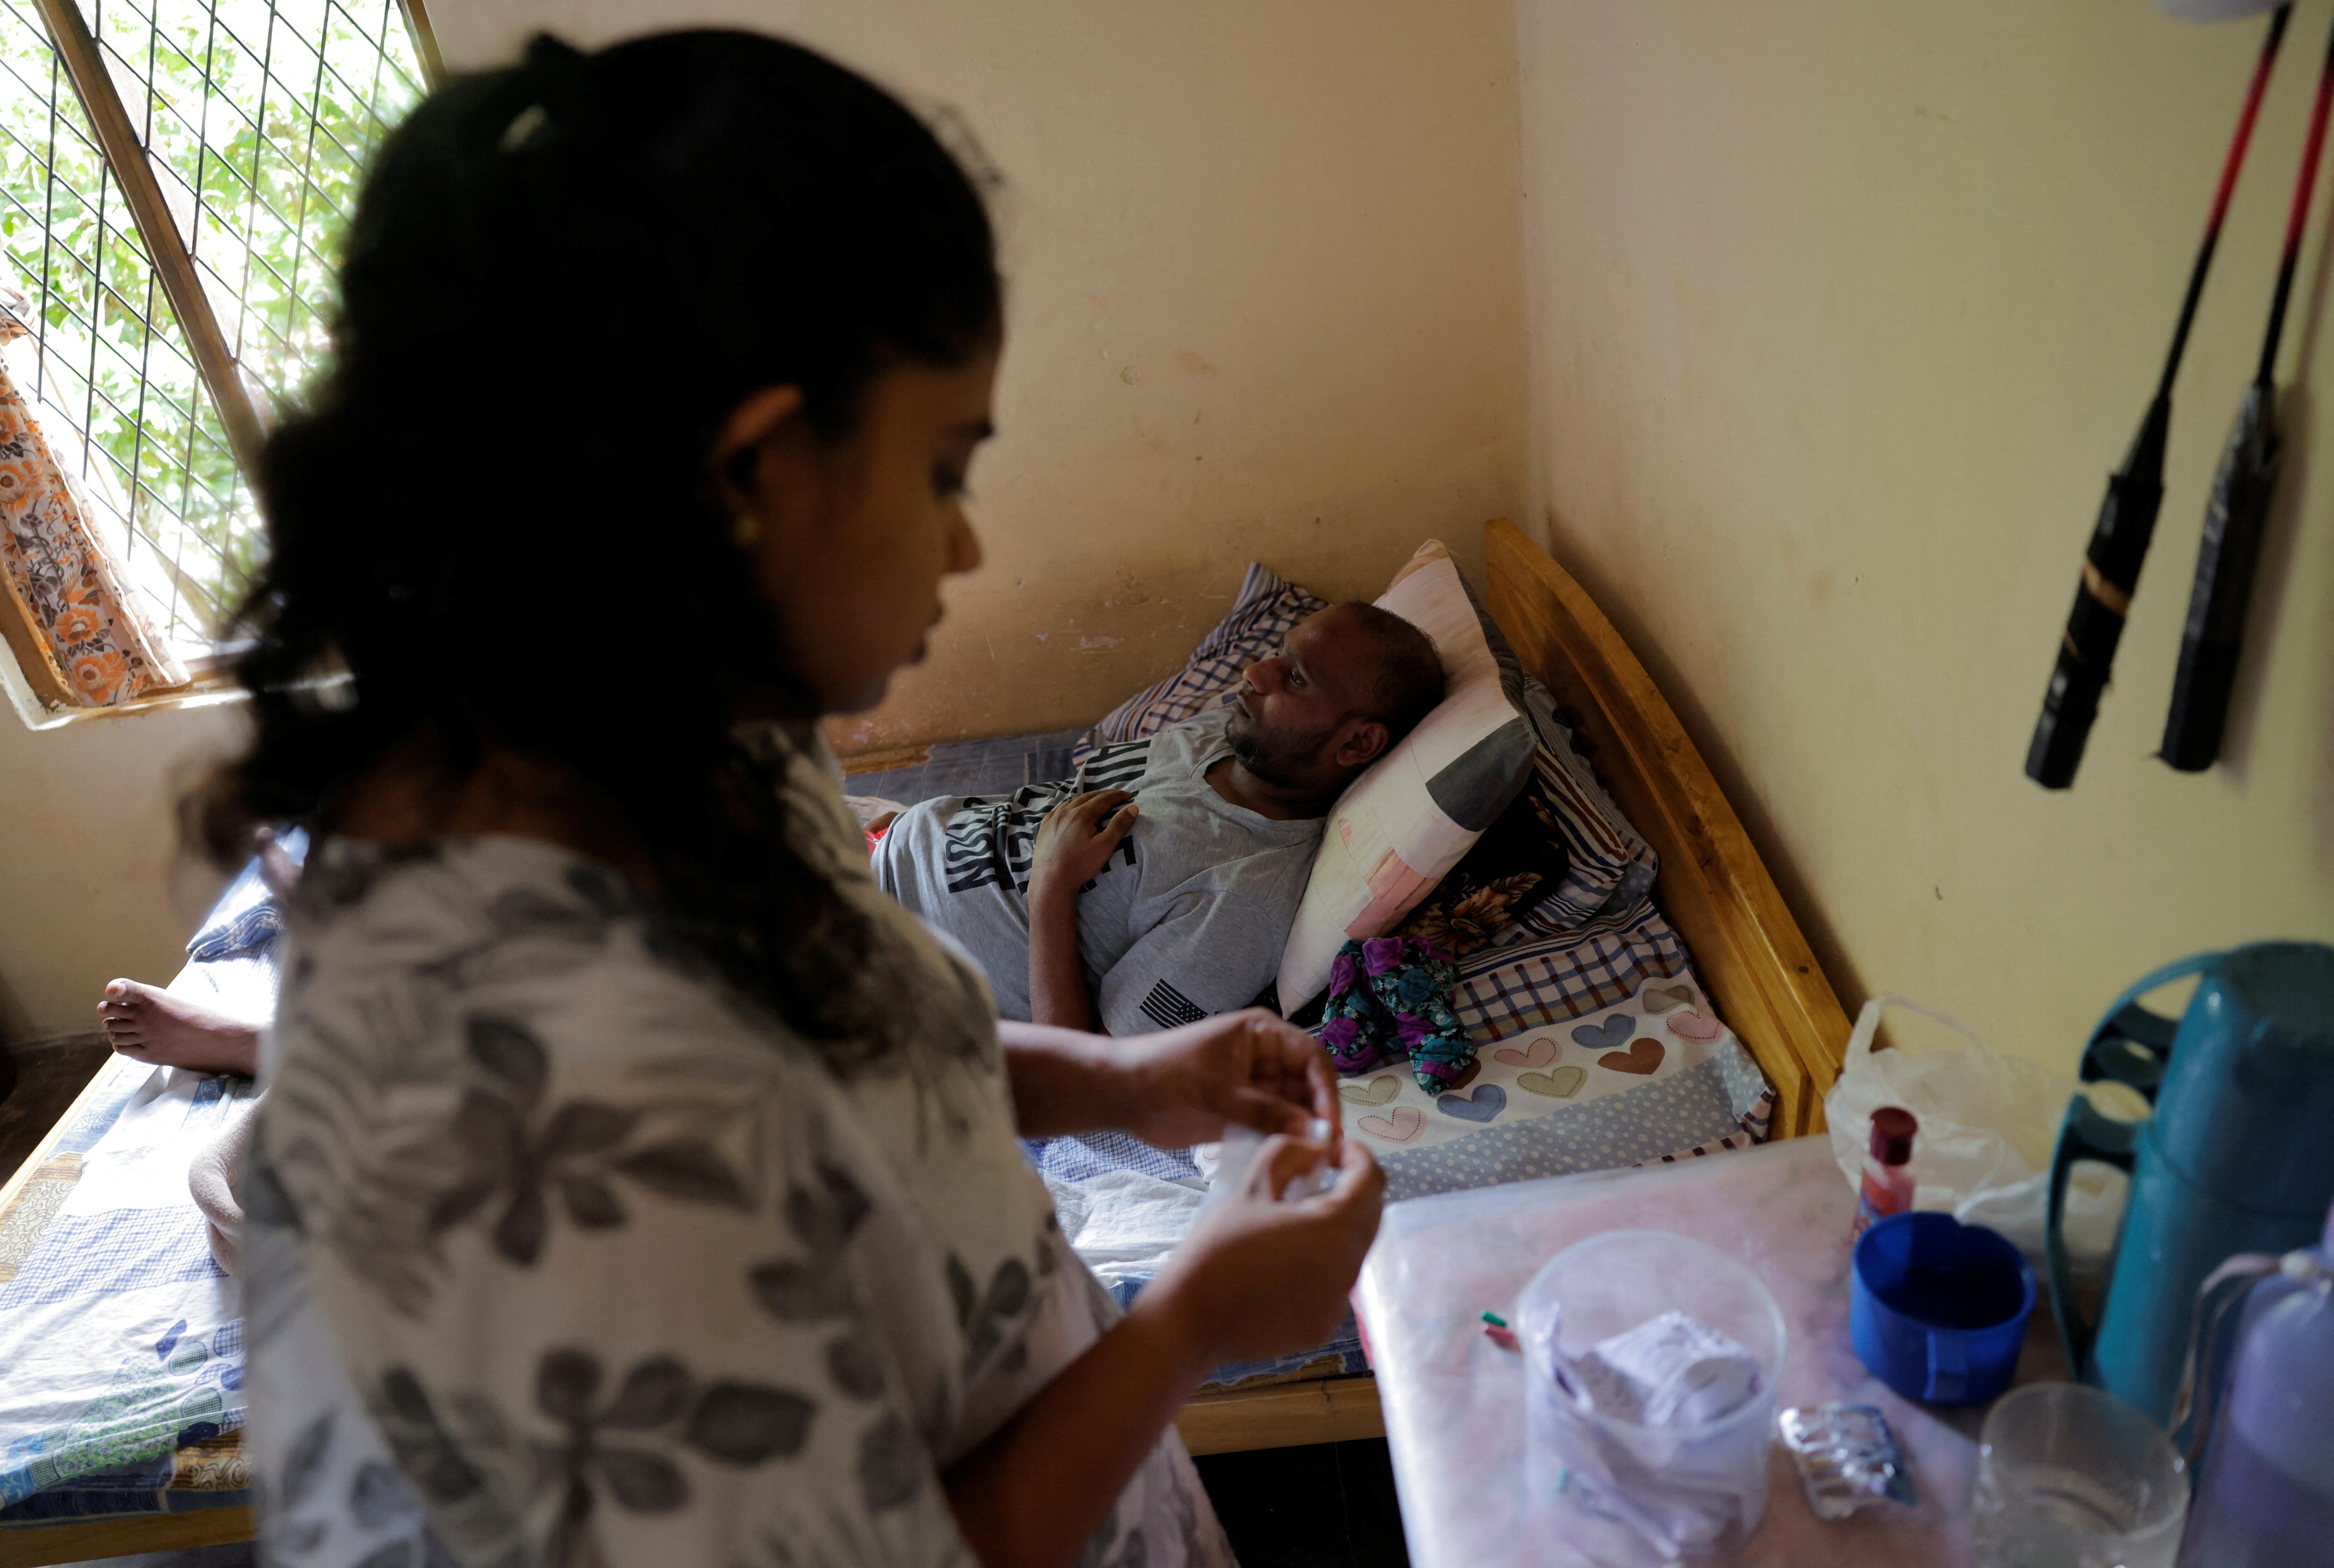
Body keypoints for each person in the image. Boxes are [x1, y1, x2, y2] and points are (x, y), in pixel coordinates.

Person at [195, 31, 1383, 1568]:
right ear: (754, 470)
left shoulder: (711, 733)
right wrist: (1197, 1319)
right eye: (947, 468)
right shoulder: (540, 1087)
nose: (961, 549)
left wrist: (1119, 1077)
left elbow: (843, 1056)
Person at [873, 602, 1442, 1034]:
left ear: (1357, 742)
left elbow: (1088, 1072)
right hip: (882, 855)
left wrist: (1051, 884)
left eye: (1295, 677)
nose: (1255, 672)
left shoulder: (1243, 898)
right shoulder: (1228, 734)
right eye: (1279, 652)